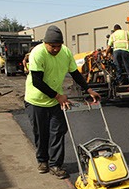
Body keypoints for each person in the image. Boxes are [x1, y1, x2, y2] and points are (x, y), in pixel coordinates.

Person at [25, 25, 101, 179]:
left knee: (58, 131)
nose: (56, 49)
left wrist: (88, 89)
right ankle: (42, 161)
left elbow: (75, 74)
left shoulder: (65, 52)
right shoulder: (38, 53)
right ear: (45, 43)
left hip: (55, 102)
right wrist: (58, 96)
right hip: (36, 101)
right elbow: (37, 81)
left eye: (58, 46)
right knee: (41, 133)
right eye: (52, 46)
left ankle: (55, 164)